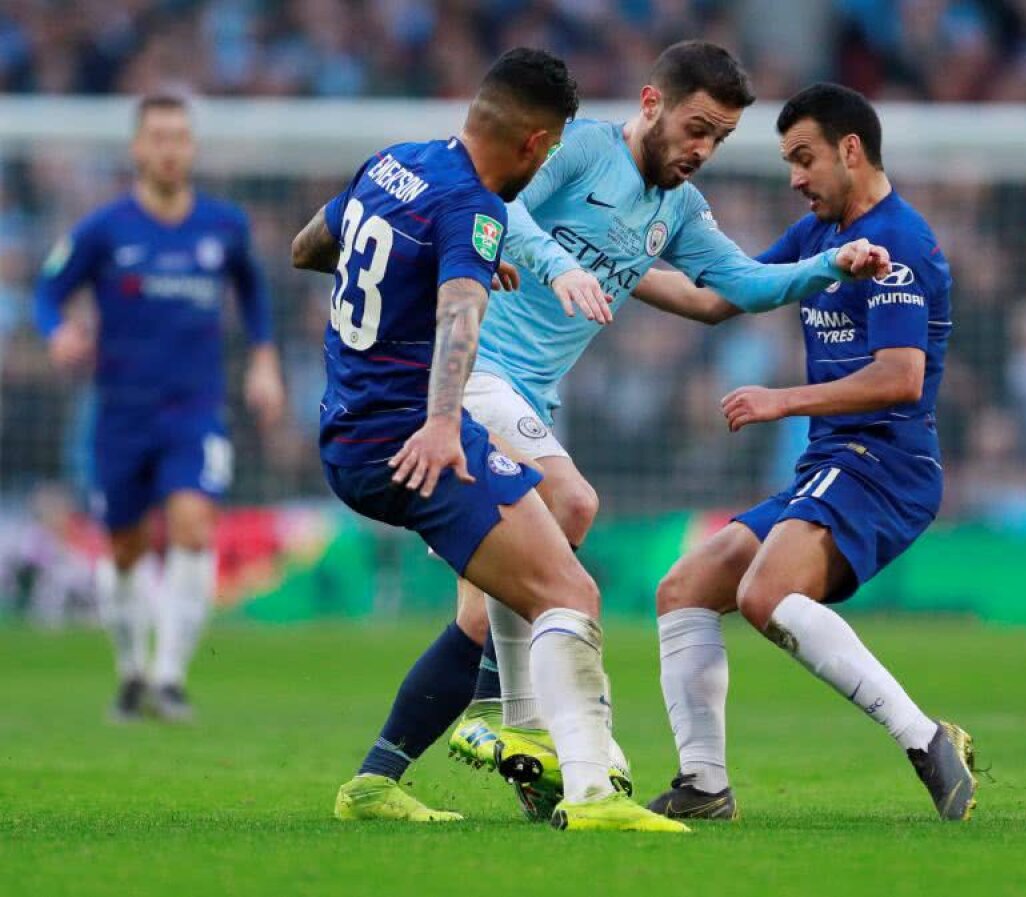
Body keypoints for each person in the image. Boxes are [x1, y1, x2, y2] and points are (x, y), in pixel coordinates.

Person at [442, 40, 890, 820]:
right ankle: (505, 718)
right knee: (571, 505)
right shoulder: (581, 151)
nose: (703, 150)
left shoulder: (676, 209)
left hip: (533, 398)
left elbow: (742, 282)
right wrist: (559, 267)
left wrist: (831, 264)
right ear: (652, 104)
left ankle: (475, 747)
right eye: (696, 128)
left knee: (496, 599)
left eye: (718, 138)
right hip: (474, 369)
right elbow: (497, 208)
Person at [290, 47, 685, 833]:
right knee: (569, 591)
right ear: (538, 145)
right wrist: (441, 423)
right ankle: (592, 794)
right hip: (411, 438)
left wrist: (436, 263)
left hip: (348, 428)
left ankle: (377, 779)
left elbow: (309, 248)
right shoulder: (471, 206)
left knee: (531, 559)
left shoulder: (394, 163)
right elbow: (459, 319)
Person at [632, 83, 976, 822]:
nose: (794, 178)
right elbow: (719, 298)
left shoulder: (901, 242)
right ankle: (704, 784)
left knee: (762, 595)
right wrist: (609, 268)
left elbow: (900, 377)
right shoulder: (818, 234)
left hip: (885, 466)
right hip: (828, 466)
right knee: (683, 588)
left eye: (803, 158)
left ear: (850, 150)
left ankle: (924, 740)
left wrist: (779, 399)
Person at [34, 94, 285, 722]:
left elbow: (253, 292)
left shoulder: (223, 226)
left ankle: (169, 677)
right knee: (124, 548)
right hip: (120, 413)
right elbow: (49, 291)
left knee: (195, 526)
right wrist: (58, 331)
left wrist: (263, 358)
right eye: (159, 138)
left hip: (194, 411)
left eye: (180, 137)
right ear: (138, 149)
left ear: (191, 148)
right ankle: (130, 672)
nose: (171, 149)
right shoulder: (104, 229)